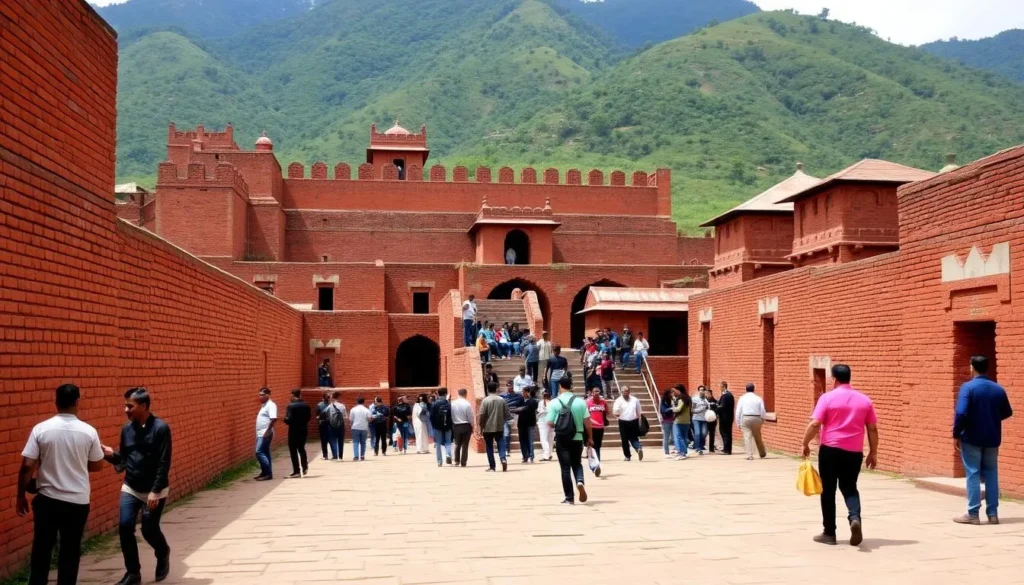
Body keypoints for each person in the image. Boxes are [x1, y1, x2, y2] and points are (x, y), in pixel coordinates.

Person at [18, 384, 105, 585]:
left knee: (41, 550)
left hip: (47, 500)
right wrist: (75, 462)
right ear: (77, 402)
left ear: (56, 402)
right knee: (70, 551)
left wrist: (20, 495)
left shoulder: (41, 429)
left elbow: (27, 465)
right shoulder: (88, 432)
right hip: (77, 501)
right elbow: (97, 465)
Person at [802, 364, 879, 546]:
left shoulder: (827, 398)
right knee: (850, 487)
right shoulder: (865, 401)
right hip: (854, 452)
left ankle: (829, 533)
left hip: (830, 450)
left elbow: (815, 424)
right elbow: (873, 428)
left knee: (828, 490)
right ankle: (854, 517)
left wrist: (805, 443)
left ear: (834, 379)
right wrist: (873, 452)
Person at [103, 388, 172, 585]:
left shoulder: (160, 428)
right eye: (126, 405)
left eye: (130, 406)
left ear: (143, 406)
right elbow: (124, 460)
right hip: (131, 487)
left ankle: (163, 551)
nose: (126, 409)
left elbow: (163, 462)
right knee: (125, 526)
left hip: (154, 490)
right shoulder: (127, 429)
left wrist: (155, 491)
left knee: (149, 530)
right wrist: (111, 455)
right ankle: (133, 573)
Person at [952, 355, 1013, 525]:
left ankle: (972, 513)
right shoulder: (998, 389)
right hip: (992, 437)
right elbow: (1007, 412)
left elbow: (961, 413)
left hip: (971, 437)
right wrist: (990, 419)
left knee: (973, 473)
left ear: (972, 367)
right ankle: (993, 513)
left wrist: (956, 433)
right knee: (992, 473)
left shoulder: (968, 388)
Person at [547, 377, 593, 504]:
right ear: (571, 386)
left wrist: (559, 424)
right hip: (577, 437)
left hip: (562, 438)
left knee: (565, 468)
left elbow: (549, 422)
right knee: (577, 463)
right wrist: (590, 437)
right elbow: (588, 423)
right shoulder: (580, 402)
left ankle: (569, 498)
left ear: (560, 386)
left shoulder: (555, 402)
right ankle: (579, 481)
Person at [479, 382, 511, 471]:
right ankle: (503, 458)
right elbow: (507, 414)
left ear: (488, 389)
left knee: (489, 447)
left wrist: (481, 427)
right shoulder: (502, 400)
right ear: (496, 389)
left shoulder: (485, 401)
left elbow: (482, 415)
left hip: (488, 427)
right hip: (499, 426)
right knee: (501, 443)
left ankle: (492, 466)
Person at [284, 389, 311, 477]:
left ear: (292, 395)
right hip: (303, 429)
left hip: (293, 431)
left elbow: (289, 420)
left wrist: (284, 419)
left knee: (293, 451)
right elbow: (308, 418)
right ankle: (305, 466)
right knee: (301, 449)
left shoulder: (291, 406)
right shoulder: (306, 405)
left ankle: (296, 471)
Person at [735, 383, 767, 460]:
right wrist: (763, 418)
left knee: (747, 436)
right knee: (757, 436)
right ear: (754, 389)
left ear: (745, 389)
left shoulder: (742, 398)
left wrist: (738, 422)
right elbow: (762, 410)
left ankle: (749, 455)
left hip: (746, 417)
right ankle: (762, 452)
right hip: (756, 418)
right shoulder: (758, 398)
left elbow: (738, 411)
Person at [613, 386, 644, 462]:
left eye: (626, 391)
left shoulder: (635, 400)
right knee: (624, 439)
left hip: (633, 421)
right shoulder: (618, 401)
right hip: (623, 422)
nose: (625, 393)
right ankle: (627, 456)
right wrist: (617, 414)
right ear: (621, 392)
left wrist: (638, 418)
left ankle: (638, 448)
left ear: (629, 391)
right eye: (623, 391)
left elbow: (639, 411)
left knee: (633, 437)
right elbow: (615, 411)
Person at [254, 387, 277, 480]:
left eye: (262, 395)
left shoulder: (271, 405)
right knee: (265, 452)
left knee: (259, 451)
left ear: (268, 395)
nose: (260, 397)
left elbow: (274, 418)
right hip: (260, 432)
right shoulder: (264, 405)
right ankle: (265, 473)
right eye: (259, 395)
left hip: (265, 433)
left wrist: (267, 431)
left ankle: (268, 474)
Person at [514, 387, 540, 463]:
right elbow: (516, 409)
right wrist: (521, 409)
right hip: (521, 423)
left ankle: (531, 456)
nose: (523, 393)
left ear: (527, 392)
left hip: (530, 423)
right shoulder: (520, 400)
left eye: (524, 392)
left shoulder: (533, 401)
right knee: (522, 440)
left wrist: (523, 409)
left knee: (530, 440)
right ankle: (525, 456)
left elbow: (531, 409)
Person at [430, 388, 454, 466]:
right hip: (448, 426)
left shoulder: (434, 404)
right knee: (448, 442)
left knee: (438, 444)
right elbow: (452, 416)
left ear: (438, 394)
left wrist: (434, 426)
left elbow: (431, 417)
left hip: (437, 427)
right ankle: (448, 455)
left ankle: (439, 462)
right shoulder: (449, 403)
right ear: (445, 394)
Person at [451, 388, 474, 467]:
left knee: (457, 443)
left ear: (458, 393)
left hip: (456, 425)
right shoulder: (467, 404)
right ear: (465, 394)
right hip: (465, 425)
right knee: (465, 445)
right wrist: (472, 425)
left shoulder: (453, 403)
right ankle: (463, 462)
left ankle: (456, 460)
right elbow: (470, 416)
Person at [585, 390, 607, 462]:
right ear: (592, 393)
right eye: (595, 391)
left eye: (598, 391)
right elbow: (585, 414)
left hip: (600, 426)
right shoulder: (588, 402)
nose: (596, 393)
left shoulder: (603, 402)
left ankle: (597, 460)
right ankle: (593, 458)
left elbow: (607, 412)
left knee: (598, 444)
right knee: (591, 443)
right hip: (591, 426)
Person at [670, 385, 691, 460]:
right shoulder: (688, 398)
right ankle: (684, 452)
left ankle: (681, 453)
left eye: (674, 391)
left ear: (679, 390)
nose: (673, 392)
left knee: (678, 437)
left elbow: (678, 409)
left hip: (679, 420)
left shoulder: (681, 399)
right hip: (687, 420)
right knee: (684, 437)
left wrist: (672, 408)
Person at [349, 397, 370, 461]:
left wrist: (351, 425)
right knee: (363, 442)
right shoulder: (367, 410)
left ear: (357, 402)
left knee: (355, 442)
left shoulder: (353, 409)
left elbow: (351, 419)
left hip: (355, 427)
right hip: (364, 427)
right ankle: (362, 456)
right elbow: (369, 419)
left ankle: (356, 456)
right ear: (364, 402)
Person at [326, 392, 346, 460]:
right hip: (341, 425)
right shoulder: (342, 406)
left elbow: (327, 415)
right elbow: (344, 415)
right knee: (341, 441)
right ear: (338, 397)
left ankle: (335, 455)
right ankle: (340, 456)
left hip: (332, 425)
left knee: (333, 440)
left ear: (332, 397)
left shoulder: (330, 406)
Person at [536, 389, 555, 461]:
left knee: (544, 439)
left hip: (543, 422)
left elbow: (539, 411)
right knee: (550, 439)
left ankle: (546, 455)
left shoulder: (541, 403)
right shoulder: (553, 402)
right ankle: (549, 454)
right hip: (551, 421)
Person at [717, 381, 735, 455]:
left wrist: (715, 408)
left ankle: (727, 450)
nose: (720, 388)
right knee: (727, 433)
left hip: (725, 418)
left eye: (720, 387)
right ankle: (727, 449)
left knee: (725, 433)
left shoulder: (726, 396)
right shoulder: (729, 395)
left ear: (723, 387)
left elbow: (722, 406)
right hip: (729, 417)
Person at [691, 386, 709, 456]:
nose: (702, 391)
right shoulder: (695, 399)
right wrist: (701, 409)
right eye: (701, 390)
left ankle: (700, 445)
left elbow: (708, 408)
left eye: (703, 390)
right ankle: (698, 448)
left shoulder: (706, 399)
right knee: (698, 433)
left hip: (704, 419)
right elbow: (692, 410)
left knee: (704, 433)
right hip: (696, 419)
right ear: (698, 391)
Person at [659, 388, 675, 458]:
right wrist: (671, 408)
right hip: (666, 421)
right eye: (671, 393)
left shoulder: (672, 400)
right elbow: (663, 410)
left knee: (673, 437)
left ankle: (675, 449)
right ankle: (666, 452)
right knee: (666, 437)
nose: (672, 394)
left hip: (673, 420)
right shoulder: (663, 401)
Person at [316, 391, 332, 460]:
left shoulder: (320, 405)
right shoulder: (331, 404)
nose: (328, 398)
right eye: (328, 397)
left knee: (325, 440)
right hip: (328, 424)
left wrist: (319, 419)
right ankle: (332, 454)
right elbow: (317, 415)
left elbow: (317, 415)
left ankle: (325, 455)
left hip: (324, 424)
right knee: (329, 440)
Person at [705, 386, 719, 453]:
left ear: (710, 394)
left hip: (713, 420)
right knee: (704, 433)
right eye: (706, 393)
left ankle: (711, 448)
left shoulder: (715, 401)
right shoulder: (704, 401)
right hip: (705, 420)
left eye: (708, 393)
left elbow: (717, 410)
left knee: (712, 434)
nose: (707, 395)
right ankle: (702, 446)